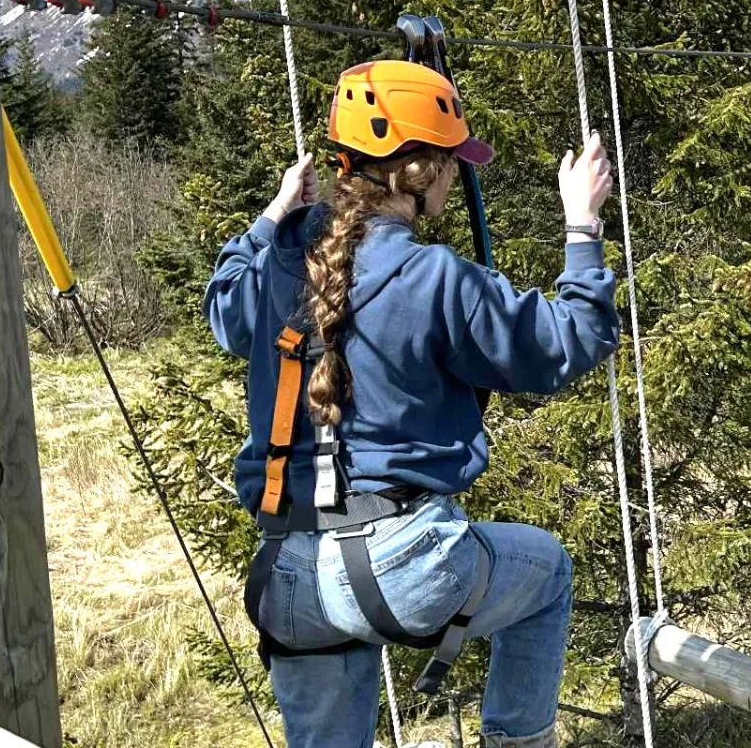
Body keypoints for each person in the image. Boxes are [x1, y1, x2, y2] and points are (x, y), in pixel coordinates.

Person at [204, 59, 620, 748]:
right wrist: (582, 226)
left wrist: (276, 213)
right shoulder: (433, 277)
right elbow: (570, 340)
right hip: (407, 566)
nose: (459, 176)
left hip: (289, 579)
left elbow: (223, 309)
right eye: (453, 162)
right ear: (420, 172)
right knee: (546, 572)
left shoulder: (278, 262)